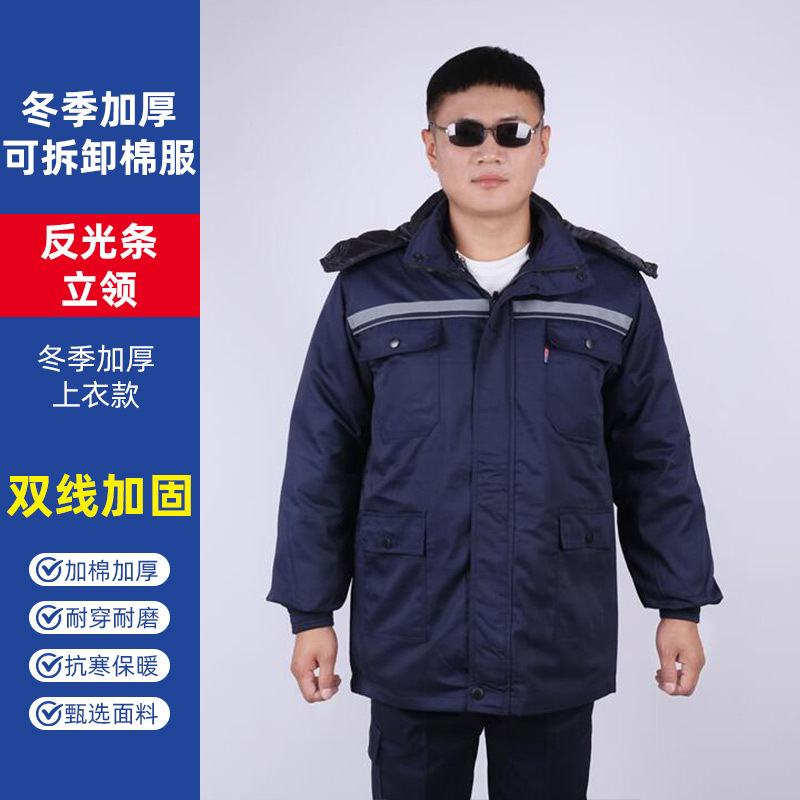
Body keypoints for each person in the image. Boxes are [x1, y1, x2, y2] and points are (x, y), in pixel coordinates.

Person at [266, 45, 723, 799]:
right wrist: (310, 612)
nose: (489, 152)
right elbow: (323, 458)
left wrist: (680, 604)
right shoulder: (369, 291)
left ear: (543, 144)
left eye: (512, 132)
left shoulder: (607, 292)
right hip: (415, 632)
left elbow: (656, 457)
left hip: (552, 632)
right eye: (465, 132)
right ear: (431, 146)